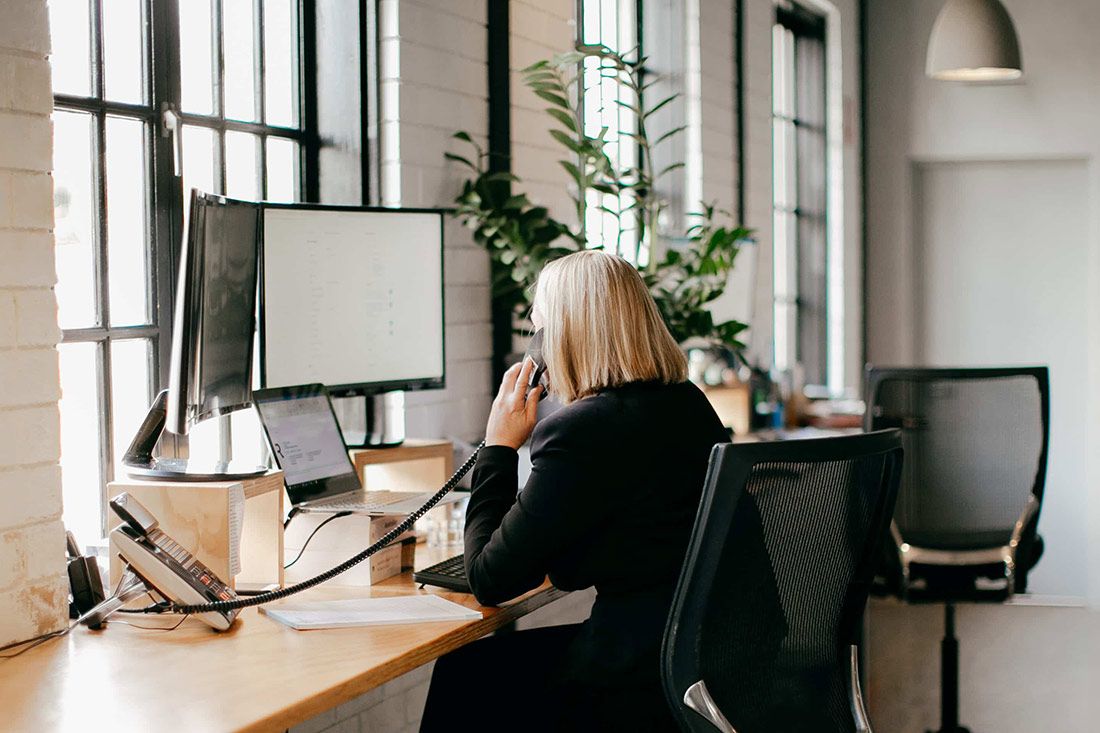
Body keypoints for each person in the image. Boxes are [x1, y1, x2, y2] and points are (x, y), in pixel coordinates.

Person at [419, 250, 730, 732]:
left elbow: (489, 579)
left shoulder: (583, 430)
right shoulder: (687, 403)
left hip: (638, 678)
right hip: (714, 660)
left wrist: (499, 444)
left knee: (464, 675)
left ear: (560, 338)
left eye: (539, 329)